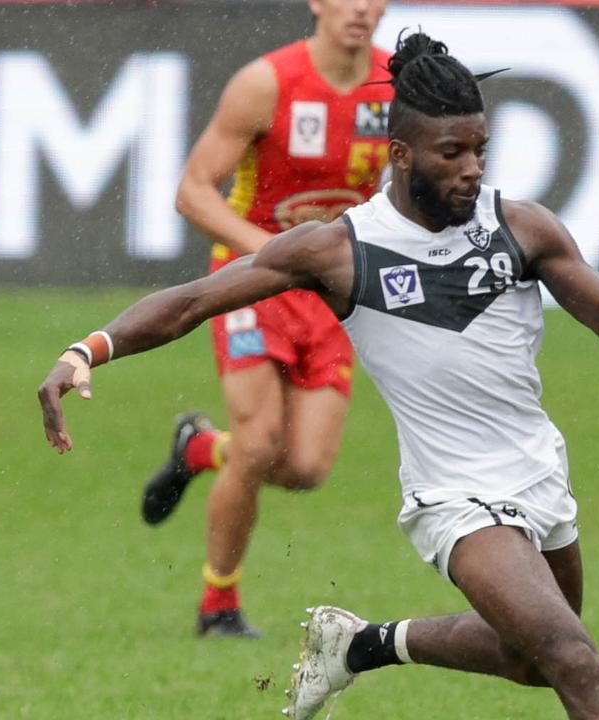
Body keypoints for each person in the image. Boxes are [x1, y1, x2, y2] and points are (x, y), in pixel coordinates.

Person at [38, 32, 599, 720]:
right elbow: (191, 302)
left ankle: (361, 643)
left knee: (530, 661)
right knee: (578, 662)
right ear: (400, 156)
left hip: (539, 475)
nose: (470, 169)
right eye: (451, 153)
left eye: (480, 150)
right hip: (451, 498)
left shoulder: (521, 227)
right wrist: (87, 351)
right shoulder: (338, 249)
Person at [138, 0, 393, 637]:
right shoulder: (267, 83)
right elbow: (193, 189)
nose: (361, 7)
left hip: (333, 290)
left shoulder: (397, 86)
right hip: (251, 282)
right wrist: (272, 255)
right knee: (257, 444)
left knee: (305, 467)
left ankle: (199, 449)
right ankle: (217, 604)